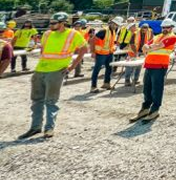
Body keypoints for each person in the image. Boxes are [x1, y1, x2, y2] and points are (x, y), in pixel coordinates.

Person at [18, 12, 88, 140]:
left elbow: (84, 49)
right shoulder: (47, 34)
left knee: (51, 101)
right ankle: (35, 127)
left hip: (56, 71)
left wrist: (72, 67)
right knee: (36, 100)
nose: (50, 25)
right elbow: (44, 49)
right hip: (40, 70)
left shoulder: (73, 34)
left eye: (53, 23)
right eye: (50, 23)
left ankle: (49, 128)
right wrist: (33, 46)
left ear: (62, 23)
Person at [129, 19, 176, 123]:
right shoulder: (157, 37)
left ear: (171, 28)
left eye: (167, 27)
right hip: (149, 65)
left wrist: (149, 47)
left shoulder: (172, 37)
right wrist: (149, 47)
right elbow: (144, 47)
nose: (165, 29)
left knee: (156, 89)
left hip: (160, 66)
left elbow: (159, 46)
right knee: (146, 89)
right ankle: (145, 109)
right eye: (163, 27)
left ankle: (154, 110)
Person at [90, 17, 120, 93]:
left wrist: (114, 47)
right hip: (101, 54)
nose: (115, 26)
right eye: (114, 24)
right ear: (111, 23)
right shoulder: (103, 31)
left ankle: (106, 83)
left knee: (109, 69)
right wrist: (93, 52)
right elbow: (92, 41)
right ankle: (93, 86)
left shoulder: (113, 31)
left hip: (109, 53)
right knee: (97, 69)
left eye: (116, 25)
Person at [126, 22, 153, 87]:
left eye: (146, 29)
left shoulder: (150, 32)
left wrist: (147, 51)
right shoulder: (135, 34)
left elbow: (151, 41)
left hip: (142, 51)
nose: (144, 31)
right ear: (141, 28)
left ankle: (135, 79)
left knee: (139, 66)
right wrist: (136, 53)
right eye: (143, 29)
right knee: (130, 66)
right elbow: (132, 44)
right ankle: (127, 80)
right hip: (132, 51)